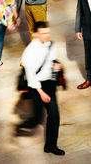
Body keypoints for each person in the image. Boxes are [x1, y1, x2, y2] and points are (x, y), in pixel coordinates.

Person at [19, 21, 65, 156]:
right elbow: (31, 76)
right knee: (37, 116)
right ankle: (27, 123)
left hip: (49, 84)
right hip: (37, 86)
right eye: (43, 33)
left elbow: (52, 61)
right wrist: (41, 92)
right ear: (35, 34)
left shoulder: (50, 46)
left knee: (54, 115)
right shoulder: (30, 51)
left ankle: (51, 146)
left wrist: (56, 67)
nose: (46, 36)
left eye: (48, 33)